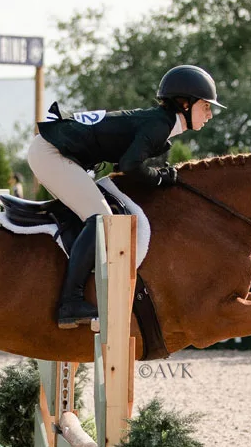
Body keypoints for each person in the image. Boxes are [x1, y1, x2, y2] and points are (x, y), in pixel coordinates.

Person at [29, 64, 222, 329]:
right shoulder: (158, 125)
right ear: (185, 104)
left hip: (54, 151)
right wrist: (161, 177)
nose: (210, 114)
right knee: (101, 220)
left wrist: (157, 176)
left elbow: (126, 165)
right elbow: (130, 167)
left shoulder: (158, 123)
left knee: (94, 214)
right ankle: (70, 303)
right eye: (206, 106)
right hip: (52, 153)